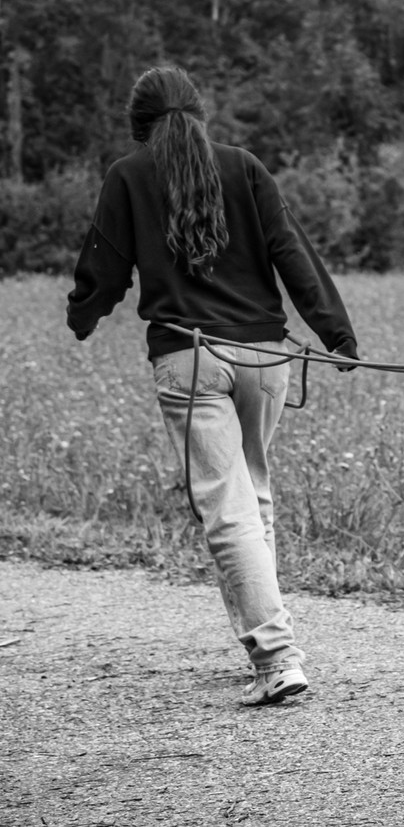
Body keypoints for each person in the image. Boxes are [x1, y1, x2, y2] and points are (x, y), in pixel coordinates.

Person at [66, 65, 359, 706]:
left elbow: (104, 269)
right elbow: (292, 252)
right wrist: (337, 334)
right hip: (264, 358)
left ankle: (277, 656)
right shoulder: (244, 166)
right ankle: (267, 642)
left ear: (138, 126)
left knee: (226, 509)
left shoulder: (129, 176)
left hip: (188, 359)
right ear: (201, 115)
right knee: (251, 496)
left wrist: (83, 314)